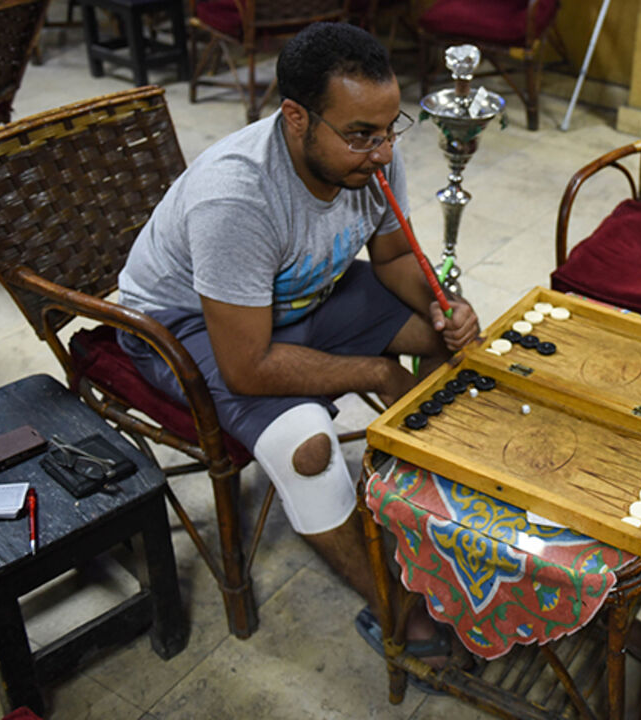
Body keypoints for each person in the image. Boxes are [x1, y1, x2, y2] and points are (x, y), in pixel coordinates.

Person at [117, 22, 479, 647]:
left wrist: (450, 307)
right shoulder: (236, 198)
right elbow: (248, 368)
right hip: (188, 327)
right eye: (362, 135)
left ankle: (466, 502)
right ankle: (394, 608)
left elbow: (393, 260)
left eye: (391, 129)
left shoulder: (369, 157)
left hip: (301, 294)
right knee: (307, 452)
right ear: (295, 117)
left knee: (456, 341)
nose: (384, 151)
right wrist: (376, 372)